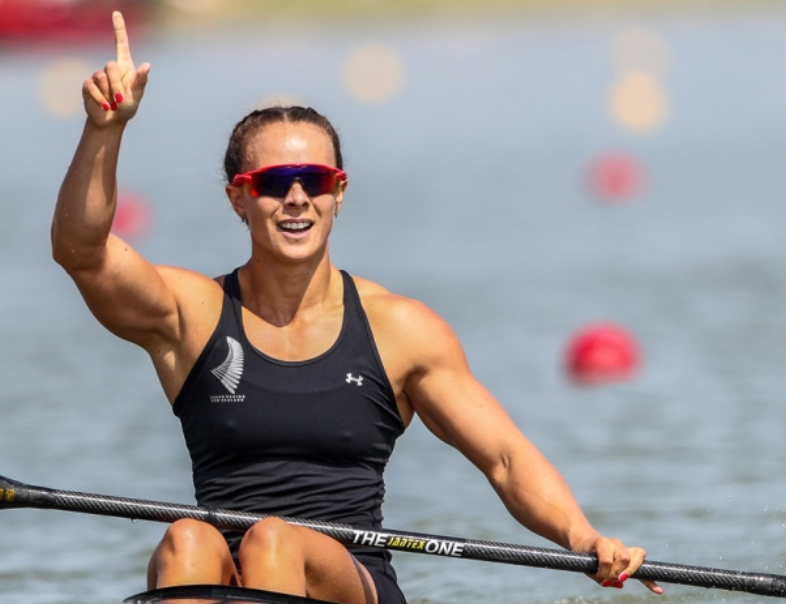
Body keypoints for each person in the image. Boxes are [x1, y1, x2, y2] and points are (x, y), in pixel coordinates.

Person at [51, 11, 663, 604]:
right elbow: (83, 253)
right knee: (186, 539)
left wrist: (583, 538)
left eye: (314, 180)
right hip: (220, 573)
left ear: (338, 193)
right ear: (240, 198)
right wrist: (105, 130)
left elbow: (504, 459)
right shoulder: (193, 314)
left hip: (351, 582)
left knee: (273, 541)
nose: (296, 199)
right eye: (273, 182)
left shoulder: (400, 330)